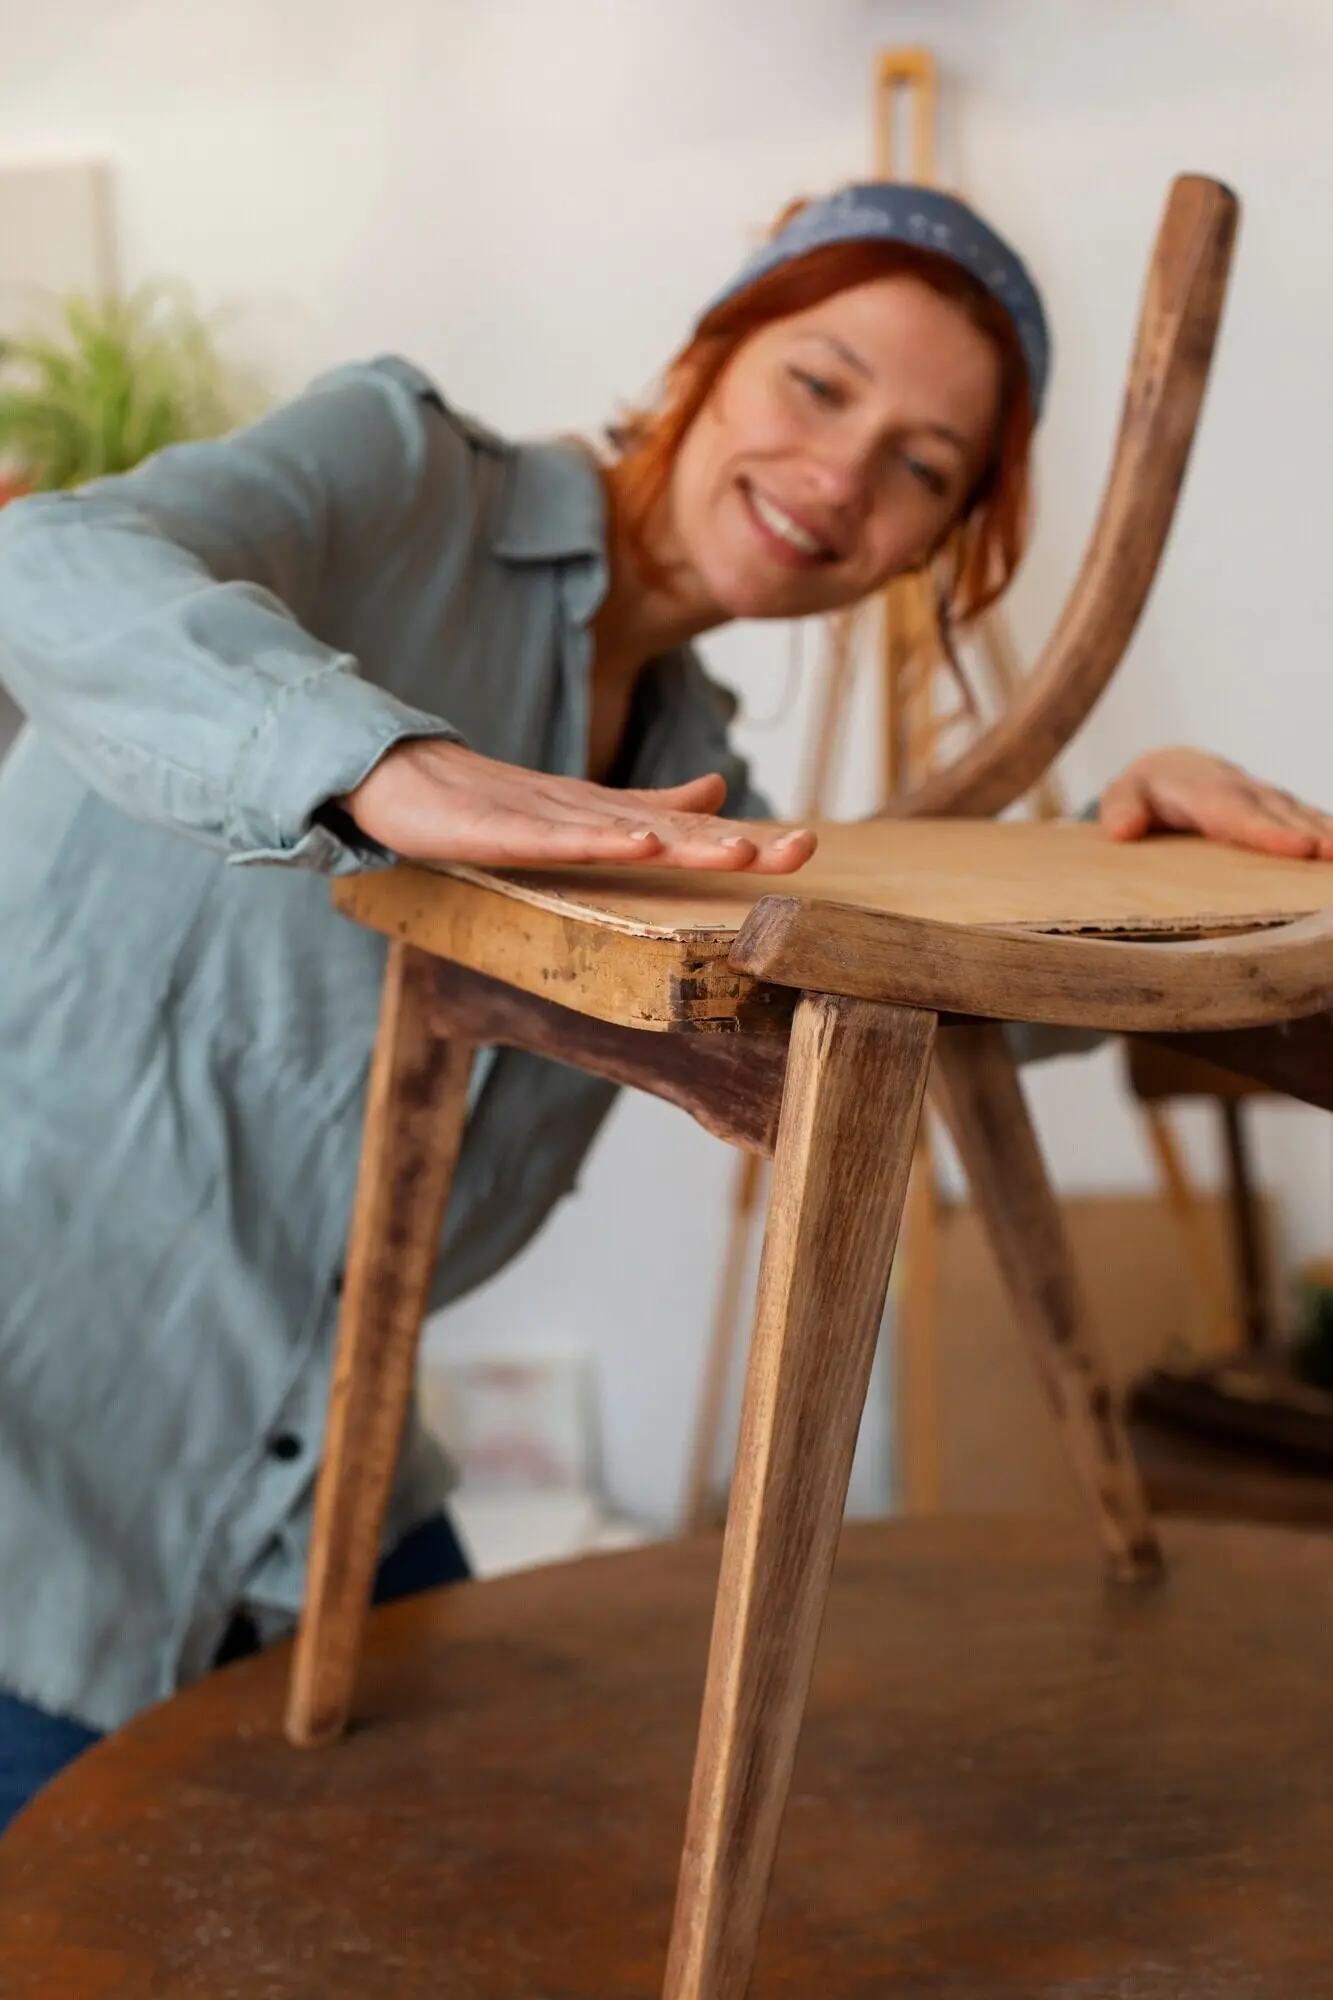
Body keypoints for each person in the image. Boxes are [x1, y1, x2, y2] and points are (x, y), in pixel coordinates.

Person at [0, 181, 1329, 1836]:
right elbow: (41, 565)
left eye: (924, 468)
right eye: (818, 383)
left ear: (937, 542)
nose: (840, 477)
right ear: (709, 353)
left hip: (309, 1491)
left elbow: (911, 985)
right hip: (33, 1504)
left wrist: (1149, 865)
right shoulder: (403, 473)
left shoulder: (691, 787)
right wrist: (383, 765)